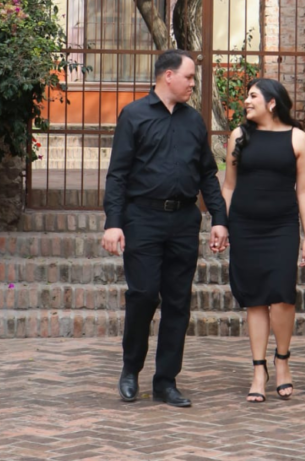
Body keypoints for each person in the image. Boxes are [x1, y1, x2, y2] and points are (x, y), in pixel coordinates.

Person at [102, 49, 229, 408]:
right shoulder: (134, 115)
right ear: (168, 76)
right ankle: (131, 369)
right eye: (189, 77)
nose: (193, 84)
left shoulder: (194, 121)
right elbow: (117, 175)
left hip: (183, 220)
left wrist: (219, 218)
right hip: (143, 218)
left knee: (178, 301)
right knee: (143, 294)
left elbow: (207, 174)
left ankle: (166, 381)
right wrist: (113, 223)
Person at [220, 78, 305, 403]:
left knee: (283, 296)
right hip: (245, 226)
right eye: (247, 96)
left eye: (253, 96)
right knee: (256, 298)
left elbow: (304, 190)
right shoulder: (239, 136)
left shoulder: (297, 138)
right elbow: (229, 186)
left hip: (282, 227)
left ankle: (282, 361)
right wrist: (222, 225)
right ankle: (259, 370)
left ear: (272, 103)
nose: (246, 101)